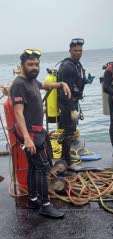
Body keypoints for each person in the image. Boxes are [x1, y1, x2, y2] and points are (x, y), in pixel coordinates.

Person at [10, 49, 71, 219]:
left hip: (36, 133)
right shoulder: (19, 84)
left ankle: (33, 199)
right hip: (28, 134)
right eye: (30, 64)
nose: (34, 67)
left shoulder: (32, 81)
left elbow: (44, 85)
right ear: (22, 65)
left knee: (33, 166)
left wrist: (60, 84)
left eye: (37, 64)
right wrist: (28, 138)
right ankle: (45, 205)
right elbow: (18, 113)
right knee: (43, 167)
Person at [57, 38, 94, 171]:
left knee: (70, 131)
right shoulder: (67, 66)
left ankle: (64, 158)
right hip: (67, 103)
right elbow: (66, 90)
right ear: (70, 51)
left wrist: (85, 81)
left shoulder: (76, 64)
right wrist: (72, 108)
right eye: (75, 50)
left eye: (80, 50)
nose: (78, 53)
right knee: (69, 132)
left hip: (73, 102)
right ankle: (67, 161)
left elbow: (76, 83)